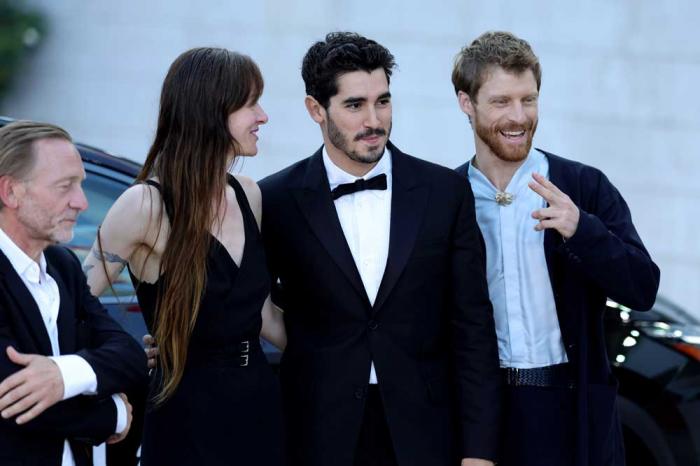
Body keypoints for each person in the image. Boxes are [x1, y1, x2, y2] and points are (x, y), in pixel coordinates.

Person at [259, 32, 501, 466]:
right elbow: (242, 299)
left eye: (383, 101)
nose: (375, 120)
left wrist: (479, 452)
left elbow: (473, 328)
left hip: (425, 435)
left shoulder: (445, 194)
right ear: (316, 109)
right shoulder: (275, 200)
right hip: (317, 435)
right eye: (355, 105)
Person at [451, 31, 660, 466]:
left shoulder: (583, 186)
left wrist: (583, 230)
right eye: (501, 101)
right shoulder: (445, 198)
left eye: (529, 99)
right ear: (466, 103)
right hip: (478, 418)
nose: (519, 116)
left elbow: (643, 287)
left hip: (571, 409)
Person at [82, 48, 286, 466]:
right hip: (186, 416)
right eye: (250, 104)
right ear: (210, 111)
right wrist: (125, 357)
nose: (263, 116)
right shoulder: (145, 205)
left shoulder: (248, 194)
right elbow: (75, 306)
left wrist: (353, 354)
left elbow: (261, 314)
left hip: (259, 406)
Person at [0, 120, 148, 466]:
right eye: (65, 187)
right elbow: (14, 401)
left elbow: (130, 357)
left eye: (81, 185)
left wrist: (64, 375)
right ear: (10, 193)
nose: (81, 202)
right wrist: (114, 415)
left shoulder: (62, 265)